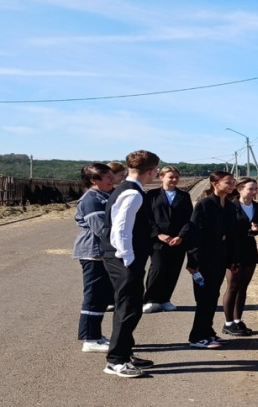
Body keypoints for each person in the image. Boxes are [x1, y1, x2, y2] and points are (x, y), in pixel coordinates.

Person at [99, 150, 160, 378]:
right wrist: (128, 258)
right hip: (123, 259)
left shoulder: (128, 189)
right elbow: (121, 229)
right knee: (128, 308)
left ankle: (125, 352)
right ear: (151, 171)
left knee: (129, 307)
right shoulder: (133, 194)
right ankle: (116, 361)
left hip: (121, 257)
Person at [186, 170, 238, 349]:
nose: (232, 186)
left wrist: (232, 260)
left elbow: (231, 235)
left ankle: (207, 332)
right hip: (204, 258)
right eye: (228, 182)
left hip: (220, 257)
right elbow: (194, 234)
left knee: (212, 296)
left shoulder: (229, 206)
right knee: (204, 298)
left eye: (233, 182)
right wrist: (193, 262)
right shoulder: (204, 205)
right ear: (215, 184)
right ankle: (197, 336)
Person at [72, 163, 115, 353]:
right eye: (106, 176)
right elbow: (100, 228)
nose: (111, 179)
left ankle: (96, 335)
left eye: (111, 175)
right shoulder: (91, 198)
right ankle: (90, 338)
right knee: (94, 296)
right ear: (93, 180)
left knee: (102, 296)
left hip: (103, 252)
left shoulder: (105, 194)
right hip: (94, 252)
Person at [143, 166, 193, 313]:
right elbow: (147, 217)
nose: (174, 180)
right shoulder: (151, 195)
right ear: (161, 177)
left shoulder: (184, 196)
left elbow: (189, 219)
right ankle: (151, 299)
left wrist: (181, 236)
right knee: (157, 268)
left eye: (176, 177)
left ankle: (165, 299)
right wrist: (158, 234)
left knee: (173, 269)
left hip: (178, 240)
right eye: (171, 177)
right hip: (158, 240)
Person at [222, 177, 258, 336]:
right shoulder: (229, 206)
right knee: (233, 286)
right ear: (240, 189)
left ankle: (237, 320)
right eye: (251, 188)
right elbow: (226, 229)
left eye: (256, 188)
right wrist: (247, 230)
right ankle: (228, 323)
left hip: (249, 249)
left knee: (243, 287)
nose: (255, 191)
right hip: (233, 250)